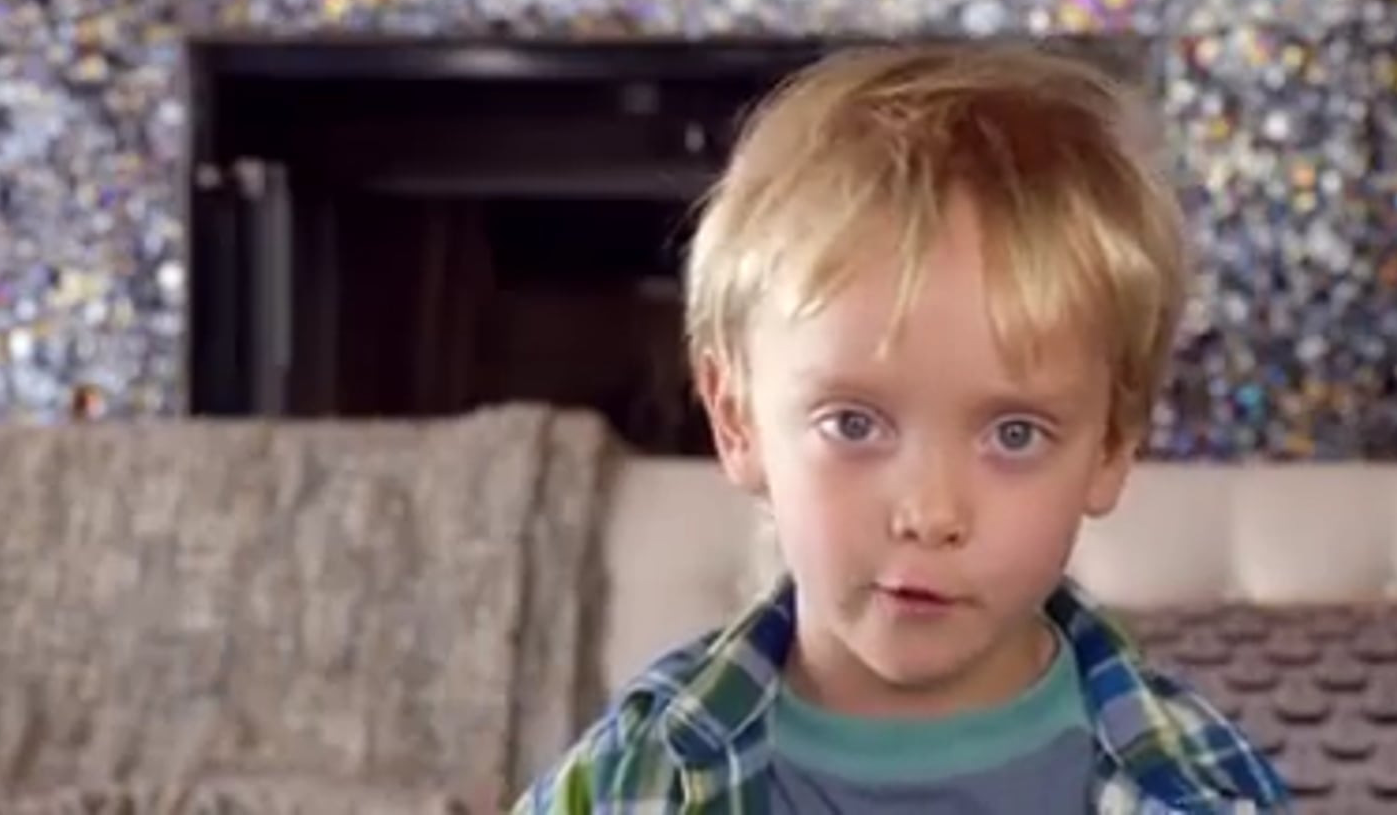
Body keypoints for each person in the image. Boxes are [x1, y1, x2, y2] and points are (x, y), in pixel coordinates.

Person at [513, 42, 1290, 813]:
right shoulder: (631, 780)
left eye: (1014, 434)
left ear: (1112, 447)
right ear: (737, 417)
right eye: (853, 424)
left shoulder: (1201, 786)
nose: (930, 514)